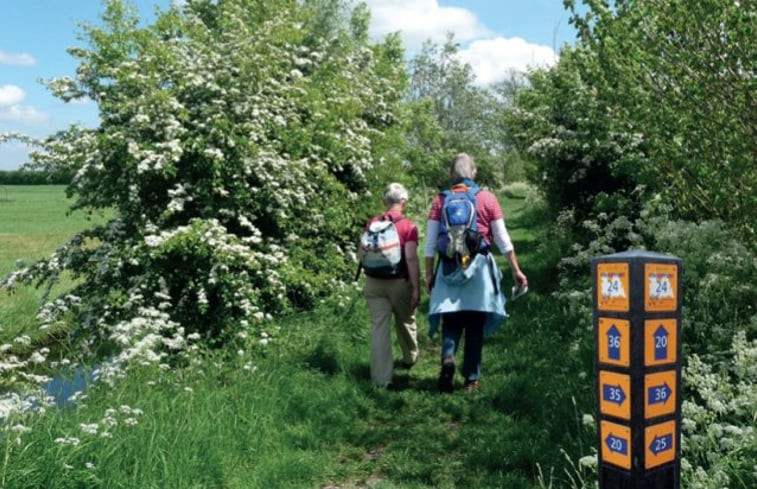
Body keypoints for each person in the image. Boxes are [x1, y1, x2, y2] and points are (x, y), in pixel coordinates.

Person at [425, 153, 527, 392]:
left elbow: (430, 242)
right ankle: (471, 379)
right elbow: (503, 239)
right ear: (475, 172)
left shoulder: (440, 200)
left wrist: (429, 274)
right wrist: (516, 270)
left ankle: (448, 358)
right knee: (474, 325)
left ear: (452, 174)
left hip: (449, 266)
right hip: (478, 267)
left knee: (451, 320)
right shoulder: (487, 199)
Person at [362, 182, 421, 388]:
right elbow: (412, 258)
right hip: (398, 281)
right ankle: (410, 356)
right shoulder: (408, 226)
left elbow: (362, 252)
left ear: (384, 201)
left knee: (379, 327)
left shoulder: (371, 223)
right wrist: (416, 287)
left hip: (373, 281)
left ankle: (380, 379)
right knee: (405, 319)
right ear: (404, 202)